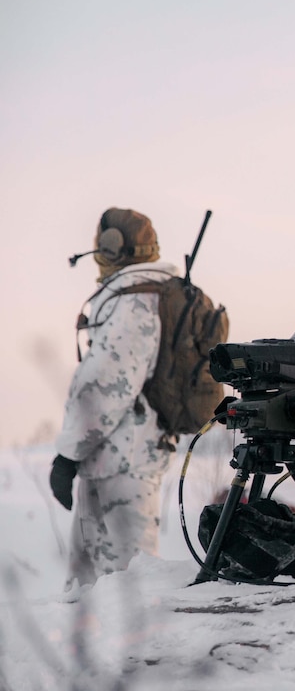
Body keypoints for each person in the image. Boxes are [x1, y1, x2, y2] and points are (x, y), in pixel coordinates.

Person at [52, 208, 178, 589]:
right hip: (113, 456)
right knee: (90, 585)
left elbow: (105, 386)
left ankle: (139, 653)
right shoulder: (139, 295)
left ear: (111, 247)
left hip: (126, 458)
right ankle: (89, 649)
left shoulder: (135, 301)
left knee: (127, 587)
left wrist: (67, 453)